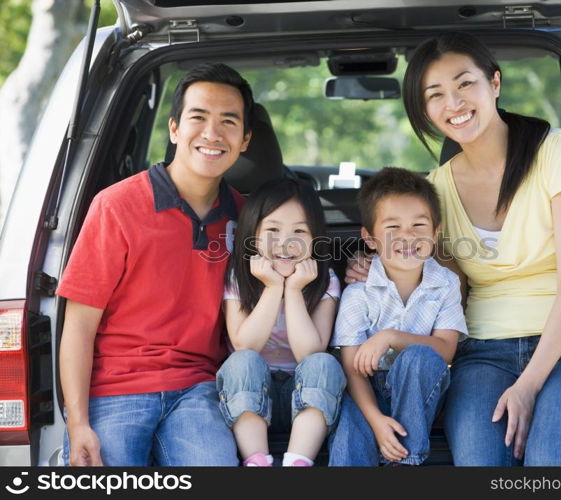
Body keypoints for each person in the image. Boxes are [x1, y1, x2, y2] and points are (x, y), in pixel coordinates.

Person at [347, 33, 561, 466]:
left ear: (494, 83)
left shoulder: (559, 152)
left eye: (464, 84)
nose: (453, 103)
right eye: (435, 94)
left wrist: (528, 385)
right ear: (424, 110)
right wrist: (378, 271)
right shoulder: (436, 189)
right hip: (483, 355)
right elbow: (440, 284)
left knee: (549, 464)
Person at [57, 63, 253, 466]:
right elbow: (78, 324)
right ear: (175, 129)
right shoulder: (116, 206)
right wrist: (78, 423)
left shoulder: (248, 217)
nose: (212, 134)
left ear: (245, 140)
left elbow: (303, 265)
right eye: (199, 118)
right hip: (114, 389)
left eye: (228, 122)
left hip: (200, 389)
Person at [328, 167, 467, 466]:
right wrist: (377, 420)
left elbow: (445, 349)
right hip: (366, 388)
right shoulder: (359, 292)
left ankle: (406, 460)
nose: (407, 236)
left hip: (421, 387)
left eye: (419, 224)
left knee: (419, 357)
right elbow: (352, 368)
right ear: (371, 239)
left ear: (436, 232)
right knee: (349, 425)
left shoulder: (445, 283)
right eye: (393, 228)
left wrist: (389, 337)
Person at [216, 178, 346, 467]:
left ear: (315, 239)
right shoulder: (239, 276)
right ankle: (257, 461)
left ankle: (298, 462)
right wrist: (273, 288)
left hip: (303, 399)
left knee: (324, 365)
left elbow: (310, 354)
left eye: (299, 231)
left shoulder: (324, 281)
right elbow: (244, 344)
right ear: (252, 234)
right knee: (243, 361)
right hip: (248, 397)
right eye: (273, 230)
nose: (286, 242)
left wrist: (295, 290)